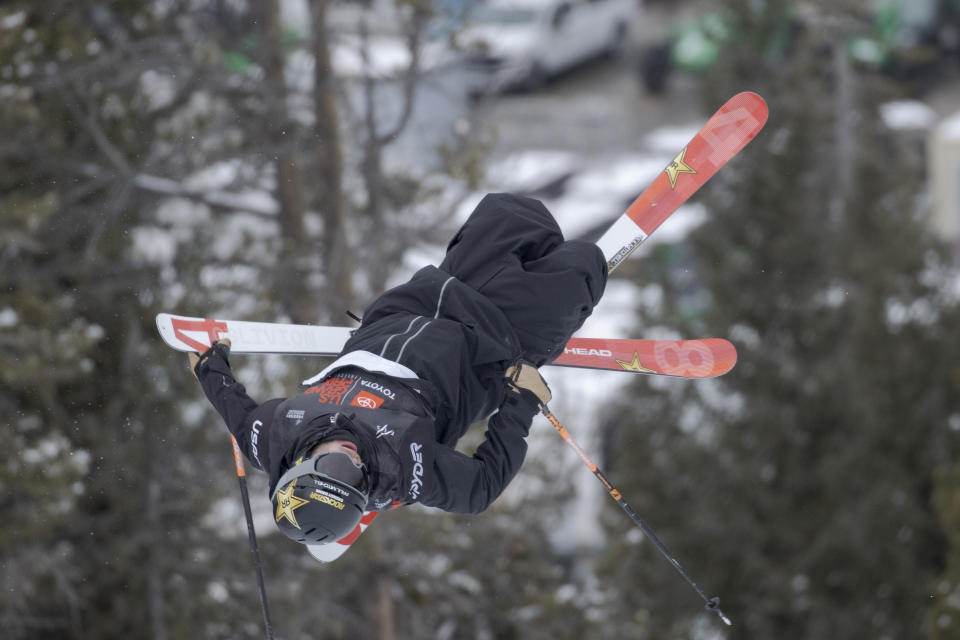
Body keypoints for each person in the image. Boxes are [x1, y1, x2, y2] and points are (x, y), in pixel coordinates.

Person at [190, 193, 607, 548]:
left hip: (423, 300)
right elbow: (480, 489)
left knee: (512, 212)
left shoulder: (273, 437)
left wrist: (210, 369)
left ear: (299, 465)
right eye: (357, 480)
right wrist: (522, 402)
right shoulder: (404, 470)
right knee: (583, 265)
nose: (353, 463)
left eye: (336, 470)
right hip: (493, 339)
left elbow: (237, 413)